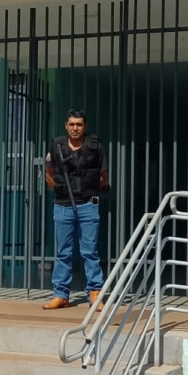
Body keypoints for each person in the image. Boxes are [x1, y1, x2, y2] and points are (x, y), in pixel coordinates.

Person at [43, 110, 109, 310]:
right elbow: (48, 173)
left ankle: (95, 293)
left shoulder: (95, 146)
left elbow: (103, 176)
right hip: (62, 206)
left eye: (79, 124)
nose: (75, 128)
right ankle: (60, 295)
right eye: (71, 124)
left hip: (88, 204)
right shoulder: (57, 146)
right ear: (66, 125)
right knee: (63, 252)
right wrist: (60, 189)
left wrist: (87, 190)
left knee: (90, 252)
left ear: (84, 126)